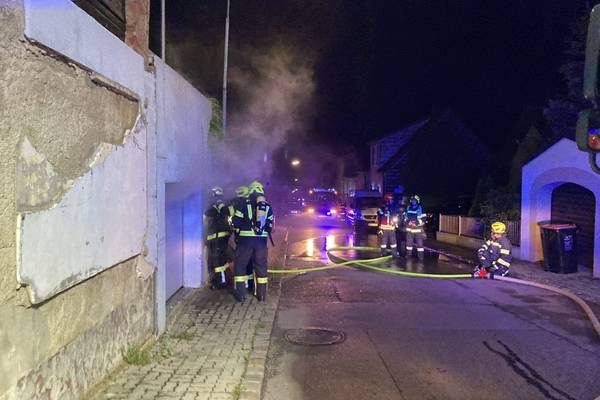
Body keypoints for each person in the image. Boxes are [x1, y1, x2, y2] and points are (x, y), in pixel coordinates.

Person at [232, 181, 274, 302]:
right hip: (261, 243)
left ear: (250, 191)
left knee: (240, 265)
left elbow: (236, 222)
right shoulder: (267, 206)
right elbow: (270, 227)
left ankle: (241, 295)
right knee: (261, 267)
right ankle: (261, 295)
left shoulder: (243, 204)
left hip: (245, 241)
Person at [204, 186, 232, 289]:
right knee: (222, 260)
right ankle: (226, 279)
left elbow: (208, 215)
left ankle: (221, 282)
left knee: (217, 261)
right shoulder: (225, 204)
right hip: (223, 237)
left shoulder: (216, 204)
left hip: (216, 238)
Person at [404, 195, 426, 259]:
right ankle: (408, 255)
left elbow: (424, 218)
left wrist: (416, 223)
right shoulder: (408, 207)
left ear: (417, 201)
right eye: (412, 200)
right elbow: (405, 217)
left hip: (418, 229)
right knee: (409, 243)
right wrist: (408, 222)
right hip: (409, 229)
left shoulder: (420, 208)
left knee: (420, 244)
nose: (413, 202)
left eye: (414, 201)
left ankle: (420, 256)